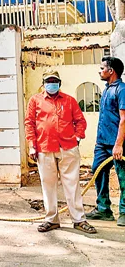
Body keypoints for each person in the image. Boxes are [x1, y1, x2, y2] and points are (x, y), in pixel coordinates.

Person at [25, 70, 96, 234]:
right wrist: (32, 145)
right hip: (44, 147)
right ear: (43, 84)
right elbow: (29, 123)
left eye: (54, 81)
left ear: (60, 83)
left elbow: (80, 121)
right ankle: (51, 219)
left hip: (68, 148)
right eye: (49, 81)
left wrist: (77, 138)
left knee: (72, 184)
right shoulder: (35, 100)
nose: (52, 84)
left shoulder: (69, 100)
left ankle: (79, 219)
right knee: (48, 185)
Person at [87, 56, 125, 226]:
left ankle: (124, 212)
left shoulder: (121, 90)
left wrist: (119, 144)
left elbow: (124, 119)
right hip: (102, 143)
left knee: (123, 177)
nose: (100, 71)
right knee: (98, 170)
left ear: (111, 71)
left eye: (102, 68)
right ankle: (103, 209)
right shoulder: (106, 89)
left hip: (118, 144)